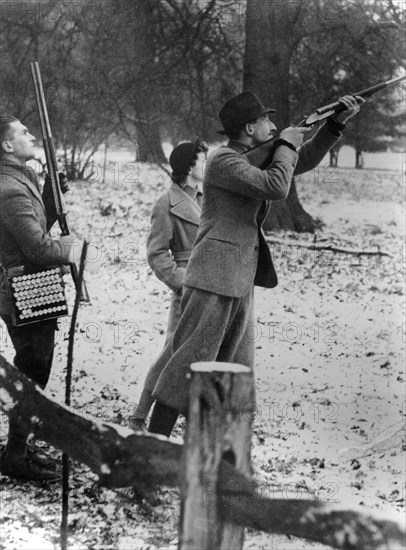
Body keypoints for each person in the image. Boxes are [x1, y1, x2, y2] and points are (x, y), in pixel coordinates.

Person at [147, 90, 363, 437]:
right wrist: (288, 144)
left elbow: (298, 163)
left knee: (232, 372)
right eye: (266, 120)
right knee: (184, 366)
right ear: (250, 127)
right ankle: (148, 455)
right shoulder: (224, 161)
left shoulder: (247, 158)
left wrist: (332, 126)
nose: (274, 125)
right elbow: (277, 186)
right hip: (213, 277)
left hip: (239, 277)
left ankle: (214, 459)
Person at [0, 115, 94, 481]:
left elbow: (33, 226)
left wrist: (52, 200)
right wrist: (69, 249)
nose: (32, 136)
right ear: (7, 145)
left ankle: (17, 447)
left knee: (33, 369)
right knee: (33, 370)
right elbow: (37, 247)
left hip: (33, 287)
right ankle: (15, 455)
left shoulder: (19, 178)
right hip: (25, 288)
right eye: (23, 133)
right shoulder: (9, 187)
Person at [128, 139, 208, 431]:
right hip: (188, 287)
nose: (207, 165)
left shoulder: (206, 198)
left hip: (212, 286)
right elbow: (156, 253)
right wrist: (181, 283)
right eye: (203, 160)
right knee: (171, 353)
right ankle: (139, 416)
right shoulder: (166, 203)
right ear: (189, 166)